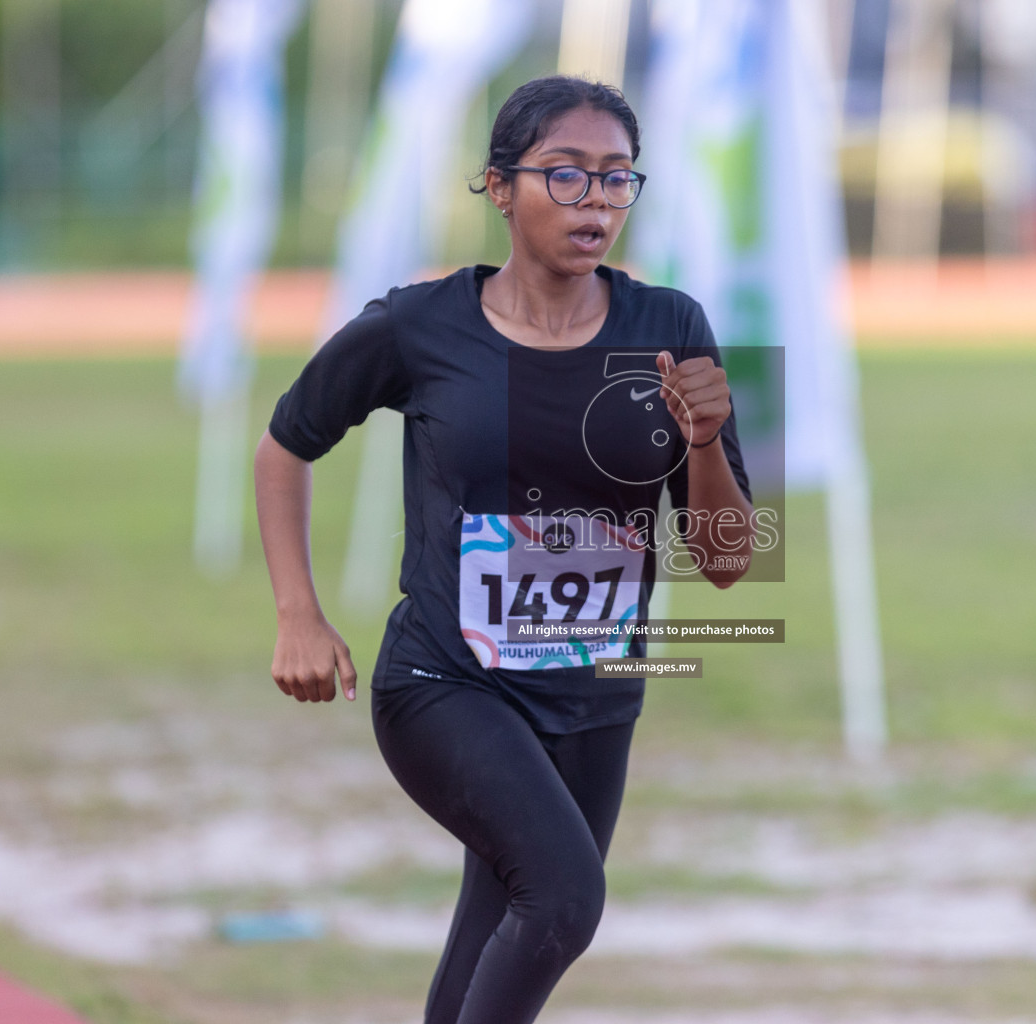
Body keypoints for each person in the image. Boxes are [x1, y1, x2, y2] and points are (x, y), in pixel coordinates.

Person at [253, 75, 754, 1024]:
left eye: (615, 180)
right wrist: (298, 615)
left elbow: (727, 561)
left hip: (596, 694)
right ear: (497, 186)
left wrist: (699, 442)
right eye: (565, 176)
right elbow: (285, 447)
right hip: (448, 681)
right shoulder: (422, 323)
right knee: (565, 899)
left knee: (502, 924)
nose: (594, 202)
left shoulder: (669, 325)